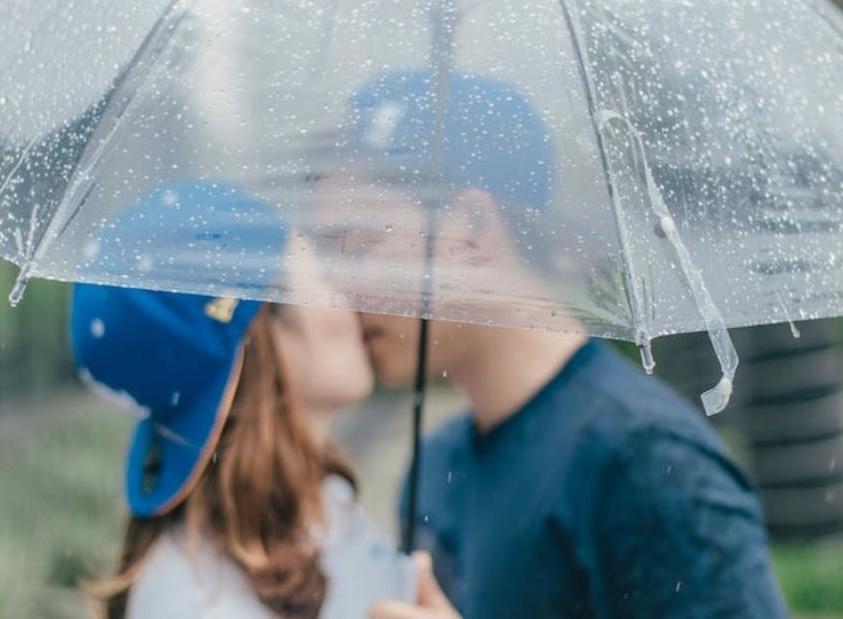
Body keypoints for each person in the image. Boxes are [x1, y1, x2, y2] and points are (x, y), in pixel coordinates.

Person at [318, 70, 790, 618]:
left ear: (470, 226)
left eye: (362, 242)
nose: (338, 287)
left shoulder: (645, 465)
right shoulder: (437, 469)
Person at [70, 180, 415, 619]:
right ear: (264, 340)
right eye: (324, 275)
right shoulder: (197, 604)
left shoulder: (320, 505)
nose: (349, 292)